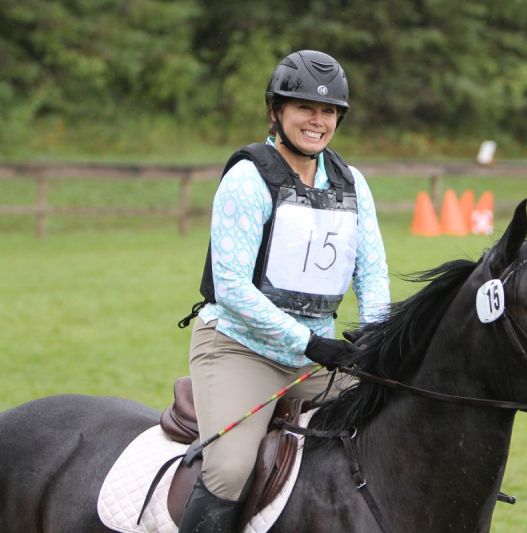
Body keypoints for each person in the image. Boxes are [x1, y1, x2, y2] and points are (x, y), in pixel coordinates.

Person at [177, 50, 390, 532]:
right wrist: (309, 343)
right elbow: (231, 287)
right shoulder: (248, 179)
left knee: (395, 420)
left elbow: (372, 271)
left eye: (329, 112)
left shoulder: (352, 183)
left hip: (321, 356)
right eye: (305, 109)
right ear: (277, 111)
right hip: (240, 349)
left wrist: (376, 337)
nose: (318, 121)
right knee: (229, 469)